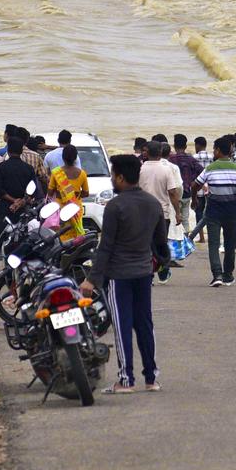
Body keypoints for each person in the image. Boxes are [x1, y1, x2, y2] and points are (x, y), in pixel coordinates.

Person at [81, 154, 169, 394]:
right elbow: (161, 244)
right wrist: (158, 264)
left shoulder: (115, 206)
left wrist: (92, 280)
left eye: (112, 175)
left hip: (119, 276)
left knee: (122, 326)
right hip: (143, 273)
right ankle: (151, 378)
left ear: (120, 177)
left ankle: (126, 380)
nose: (111, 179)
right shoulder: (153, 204)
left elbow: (106, 247)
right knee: (145, 324)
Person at [192, 136, 236, 287]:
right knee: (230, 244)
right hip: (232, 210)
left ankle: (217, 274)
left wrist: (194, 199)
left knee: (213, 244)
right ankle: (228, 275)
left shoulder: (210, 168)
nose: (213, 152)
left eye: (214, 149)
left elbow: (195, 185)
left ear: (218, 150)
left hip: (214, 210)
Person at [0, 136, 36, 280]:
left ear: (8, 150)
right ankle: (21, 272)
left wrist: (12, 200)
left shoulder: (2, 167)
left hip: (4, 209)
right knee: (22, 241)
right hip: (22, 212)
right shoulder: (28, 168)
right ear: (21, 150)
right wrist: (21, 201)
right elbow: (32, 190)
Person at [138, 141, 183, 272]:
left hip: (142, 212)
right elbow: (172, 192)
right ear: (160, 152)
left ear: (147, 153)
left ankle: (148, 269)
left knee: (145, 243)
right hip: (162, 213)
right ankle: (161, 266)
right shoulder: (166, 170)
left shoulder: (140, 169)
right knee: (160, 243)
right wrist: (178, 212)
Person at [47, 144, 88, 241]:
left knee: (60, 234)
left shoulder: (56, 173)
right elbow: (86, 193)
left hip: (60, 208)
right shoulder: (82, 174)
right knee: (76, 235)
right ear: (75, 158)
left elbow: (50, 192)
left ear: (63, 157)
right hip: (75, 209)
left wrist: (62, 193)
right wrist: (75, 195)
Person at [169, 134, 204, 240]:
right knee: (185, 218)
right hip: (187, 193)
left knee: (175, 218)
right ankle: (185, 240)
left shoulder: (171, 159)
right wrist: (192, 182)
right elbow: (202, 171)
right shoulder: (190, 159)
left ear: (174, 146)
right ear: (185, 146)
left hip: (174, 193)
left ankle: (176, 240)